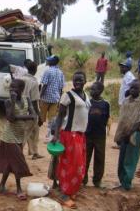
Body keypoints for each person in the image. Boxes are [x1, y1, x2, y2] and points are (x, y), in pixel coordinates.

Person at [51, 71, 90, 209]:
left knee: (79, 166)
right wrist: (55, 135)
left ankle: (71, 190)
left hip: (81, 135)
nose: (77, 82)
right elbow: (60, 116)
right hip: (69, 134)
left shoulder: (86, 96)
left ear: (85, 80)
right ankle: (64, 194)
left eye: (80, 79)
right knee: (70, 165)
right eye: (75, 80)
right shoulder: (67, 96)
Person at [0, 79, 32, 201]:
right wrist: (12, 101)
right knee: (17, 162)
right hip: (9, 136)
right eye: (10, 88)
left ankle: (1, 186)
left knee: (11, 163)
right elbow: (10, 118)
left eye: (14, 88)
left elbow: (33, 116)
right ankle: (19, 189)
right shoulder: (8, 102)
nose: (12, 90)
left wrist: (18, 117)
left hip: (20, 136)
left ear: (22, 90)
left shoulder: (27, 100)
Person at [114, 80, 140, 190]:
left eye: (136, 88)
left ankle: (126, 184)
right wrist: (120, 135)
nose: (133, 90)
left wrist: (129, 133)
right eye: (132, 88)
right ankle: (122, 182)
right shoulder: (126, 102)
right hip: (125, 134)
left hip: (135, 135)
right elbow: (122, 120)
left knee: (130, 161)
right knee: (122, 159)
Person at [83, 82, 110, 188]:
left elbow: (106, 118)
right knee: (85, 157)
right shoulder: (88, 103)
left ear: (100, 91)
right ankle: (83, 178)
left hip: (100, 136)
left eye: (94, 89)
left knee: (99, 158)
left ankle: (97, 180)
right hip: (88, 134)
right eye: (91, 89)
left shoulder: (105, 104)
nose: (92, 91)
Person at [21, 59, 43, 160]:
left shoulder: (21, 78)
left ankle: (34, 152)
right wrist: (39, 116)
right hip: (30, 112)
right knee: (27, 133)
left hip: (21, 110)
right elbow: (34, 102)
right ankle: (18, 154)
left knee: (32, 131)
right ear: (35, 70)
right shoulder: (34, 82)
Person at [40, 55, 65, 142]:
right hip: (55, 99)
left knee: (41, 117)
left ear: (52, 62)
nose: (47, 62)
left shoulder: (47, 71)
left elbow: (44, 85)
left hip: (45, 98)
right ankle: (49, 137)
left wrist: (40, 96)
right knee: (52, 119)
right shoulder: (60, 72)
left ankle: (34, 135)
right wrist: (59, 100)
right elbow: (61, 88)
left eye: (48, 61)